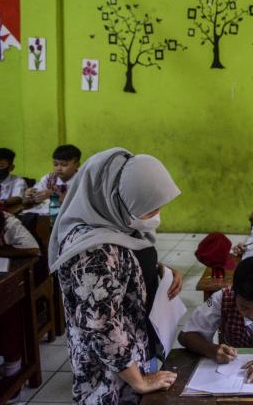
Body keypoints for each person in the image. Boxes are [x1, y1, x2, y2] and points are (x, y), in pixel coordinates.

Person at [47, 148, 182, 404]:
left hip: (135, 349)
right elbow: (101, 325)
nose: (156, 216)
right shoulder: (93, 251)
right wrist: (138, 380)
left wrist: (160, 271)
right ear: (115, 197)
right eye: (149, 210)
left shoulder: (115, 222)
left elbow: (123, 264)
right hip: (115, 373)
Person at [0, 204, 39, 390]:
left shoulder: (10, 224)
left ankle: (12, 369)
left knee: (7, 310)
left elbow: (32, 250)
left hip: (18, 272)